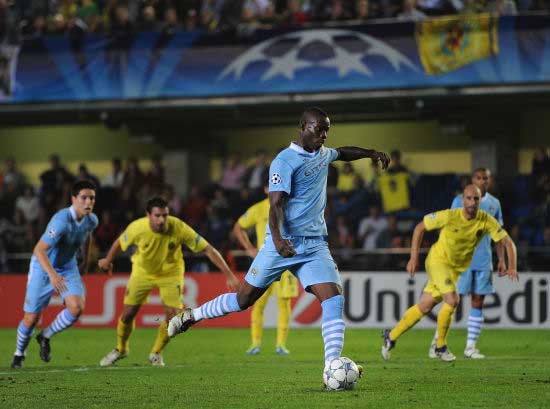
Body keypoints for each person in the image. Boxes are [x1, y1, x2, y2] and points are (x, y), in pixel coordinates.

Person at [168, 107, 390, 378]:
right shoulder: (284, 161)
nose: (323, 135)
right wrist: (278, 239)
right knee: (243, 299)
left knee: (333, 299)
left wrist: (370, 153)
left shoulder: (323, 154)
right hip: (281, 244)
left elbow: (343, 152)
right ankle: (191, 316)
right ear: (303, 127)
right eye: (318, 129)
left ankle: (332, 366)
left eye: (326, 130)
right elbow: (275, 205)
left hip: (314, 245)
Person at [381, 185, 518, 362]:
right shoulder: (450, 215)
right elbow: (419, 228)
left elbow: (508, 242)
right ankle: (440, 346)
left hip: (454, 270)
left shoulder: (486, 220)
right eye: (469, 198)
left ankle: (391, 336)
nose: (472, 202)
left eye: (476, 199)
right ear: (463, 200)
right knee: (452, 300)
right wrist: (413, 258)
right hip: (438, 261)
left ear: (479, 201)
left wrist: (512, 266)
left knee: (425, 306)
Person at [98, 197, 240, 367]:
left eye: (165, 215)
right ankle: (121, 349)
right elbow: (119, 243)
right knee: (128, 314)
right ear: (148, 215)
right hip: (142, 272)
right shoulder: (137, 228)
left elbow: (208, 249)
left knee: (173, 316)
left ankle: (156, 352)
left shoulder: (178, 227)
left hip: (170, 274)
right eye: (157, 216)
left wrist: (228, 274)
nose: (162, 220)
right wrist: (107, 260)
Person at [10, 180, 98, 369]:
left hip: (67, 266)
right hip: (43, 267)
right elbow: (39, 250)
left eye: (92, 198)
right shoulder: (61, 221)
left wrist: (85, 260)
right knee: (31, 319)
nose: (88, 202)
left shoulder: (91, 220)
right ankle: (19, 353)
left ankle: (45, 336)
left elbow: (87, 234)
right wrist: (52, 275)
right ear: (73, 199)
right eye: (84, 197)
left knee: (76, 307)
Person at [428, 167, 505, 360]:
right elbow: (447, 226)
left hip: (483, 260)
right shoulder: (459, 200)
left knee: (478, 301)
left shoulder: (495, 204)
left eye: (485, 178)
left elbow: (499, 235)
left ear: (489, 181)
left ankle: (470, 347)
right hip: (460, 260)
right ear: (473, 180)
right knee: (451, 301)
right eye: (479, 178)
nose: (482, 181)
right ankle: (437, 343)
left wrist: (502, 259)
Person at [232, 183, 299, 356]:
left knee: (284, 303)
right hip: (265, 261)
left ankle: (281, 345)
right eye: (271, 186)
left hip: (286, 260)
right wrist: (249, 248)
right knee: (257, 301)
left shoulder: (290, 206)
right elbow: (238, 227)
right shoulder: (258, 209)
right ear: (265, 189)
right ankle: (255, 343)